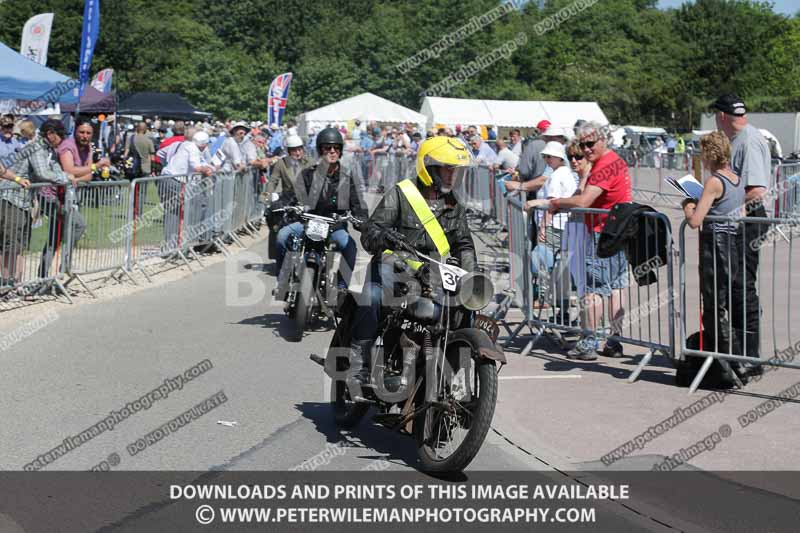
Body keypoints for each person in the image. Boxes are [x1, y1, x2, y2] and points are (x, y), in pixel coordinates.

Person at [347, 136, 477, 390]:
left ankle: (449, 375)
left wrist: (472, 276)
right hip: (394, 271)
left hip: (432, 276)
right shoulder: (401, 194)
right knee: (372, 296)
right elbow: (371, 232)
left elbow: (463, 245)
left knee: (463, 308)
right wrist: (385, 237)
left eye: (457, 171)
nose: (452, 176)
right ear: (429, 169)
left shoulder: (454, 206)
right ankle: (358, 366)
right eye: (447, 169)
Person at [529, 122, 632, 360]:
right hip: (616, 231)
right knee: (616, 287)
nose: (585, 150)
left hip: (603, 233)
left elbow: (584, 201)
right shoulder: (614, 161)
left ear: (603, 140)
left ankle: (589, 343)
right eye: (582, 145)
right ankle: (614, 341)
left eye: (590, 144)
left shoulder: (605, 165)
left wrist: (555, 203)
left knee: (594, 290)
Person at [711, 93, 770, 373]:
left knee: (743, 287)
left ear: (722, 116)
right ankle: (739, 352)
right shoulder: (737, 139)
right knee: (735, 286)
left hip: (748, 221)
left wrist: (723, 199)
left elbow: (756, 191)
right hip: (738, 220)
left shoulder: (748, 140)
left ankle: (750, 356)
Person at [682, 131, 746, 377]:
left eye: (703, 154)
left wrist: (688, 205)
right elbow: (740, 214)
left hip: (715, 246)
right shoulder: (736, 179)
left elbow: (695, 221)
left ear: (710, 154)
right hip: (731, 243)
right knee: (722, 304)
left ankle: (729, 362)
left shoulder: (714, 182)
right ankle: (735, 360)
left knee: (713, 307)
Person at [273, 127, 367, 289]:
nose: (332, 151)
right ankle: (283, 280)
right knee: (282, 236)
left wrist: (362, 220)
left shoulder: (347, 178)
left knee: (350, 248)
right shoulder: (308, 174)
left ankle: (341, 288)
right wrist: (280, 204)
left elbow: (358, 203)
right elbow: (293, 195)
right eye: (327, 147)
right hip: (307, 223)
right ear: (320, 150)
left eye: (336, 148)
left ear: (340, 151)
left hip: (334, 226)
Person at [6, 120, 78, 281]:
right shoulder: (37, 147)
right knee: (9, 245)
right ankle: (6, 284)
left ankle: (16, 283)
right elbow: (42, 173)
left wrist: (66, 175)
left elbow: (54, 167)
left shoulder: (47, 149)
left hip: (24, 200)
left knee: (20, 245)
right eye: (60, 135)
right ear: (50, 134)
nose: (62, 139)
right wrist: (66, 178)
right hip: (12, 198)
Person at [526, 141, 578, 323]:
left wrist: (543, 226)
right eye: (545, 156)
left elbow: (552, 204)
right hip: (564, 225)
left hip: (554, 226)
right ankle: (562, 310)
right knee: (561, 269)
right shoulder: (566, 173)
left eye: (549, 156)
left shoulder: (557, 175)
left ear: (559, 158)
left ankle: (547, 300)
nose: (547, 159)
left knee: (546, 266)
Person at [506, 123, 568, 196]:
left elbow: (544, 179)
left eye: (548, 138)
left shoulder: (560, 156)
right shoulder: (558, 155)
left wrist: (519, 185)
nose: (546, 142)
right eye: (546, 138)